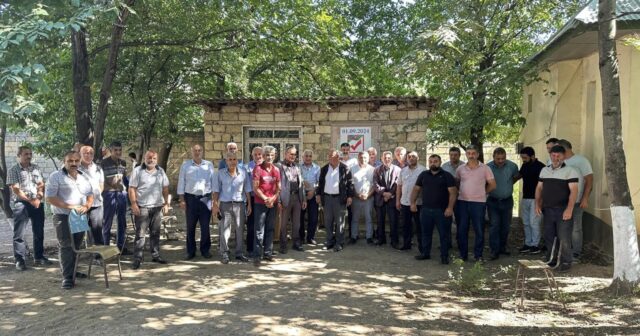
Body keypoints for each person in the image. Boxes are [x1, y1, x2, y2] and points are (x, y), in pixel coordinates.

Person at [45, 151, 94, 289]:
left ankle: (72, 271)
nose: (73, 163)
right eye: (70, 161)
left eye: (76, 161)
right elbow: (49, 198)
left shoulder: (84, 177)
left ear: (79, 161)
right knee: (66, 245)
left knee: (77, 246)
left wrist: (87, 206)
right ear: (64, 161)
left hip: (80, 216)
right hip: (62, 216)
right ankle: (67, 277)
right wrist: (71, 206)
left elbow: (90, 195)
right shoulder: (55, 176)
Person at [535, 145, 579, 273]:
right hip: (547, 209)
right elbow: (539, 188)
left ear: (564, 156)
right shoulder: (544, 170)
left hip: (563, 209)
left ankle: (566, 261)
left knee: (563, 236)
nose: (556, 158)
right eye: (553, 155)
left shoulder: (570, 171)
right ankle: (552, 259)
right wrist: (537, 204)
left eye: (558, 155)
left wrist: (569, 209)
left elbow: (574, 191)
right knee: (549, 235)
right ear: (550, 156)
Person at [7, 146, 50, 270]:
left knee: (39, 231)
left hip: (37, 203)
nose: (29, 156)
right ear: (19, 155)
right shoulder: (13, 170)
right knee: (19, 234)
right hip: (21, 204)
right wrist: (30, 200)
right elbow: (15, 189)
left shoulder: (36, 168)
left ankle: (39, 257)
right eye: (26, 154)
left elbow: (41, 185)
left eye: (30, 154)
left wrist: (39, 198)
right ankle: (20, 260)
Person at [411, 154, 457, 264]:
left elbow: (453, 193)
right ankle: (425, 253)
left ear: (440, 162)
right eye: (431, 161)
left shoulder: (447, 176)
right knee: (425, 233)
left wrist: (450, 208)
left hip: (442, 211)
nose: (433, 163)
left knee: (444, 235)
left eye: (435, 161)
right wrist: (412, 203)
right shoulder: (423, 175)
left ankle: (444, 256)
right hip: (426, 210)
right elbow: (416, 189)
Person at [129, 150, 170, 269]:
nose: (151, 160)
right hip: (142, 207)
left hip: (157, 207)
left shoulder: (160, 171)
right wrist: (134, 204)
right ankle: (137, 258)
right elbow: (132, 189)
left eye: (154, 158)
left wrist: (166, 203)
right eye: (149, 158)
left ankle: (155, 255)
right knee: (140, 234)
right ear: (145, 159)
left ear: (156, 159)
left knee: (155, 233)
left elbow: (165, 188)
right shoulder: (137, 171)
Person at [455, 145, 496, 262]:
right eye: (469, 153)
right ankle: (463, 255)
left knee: (479, 230)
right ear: (466, 154)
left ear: (477, 154)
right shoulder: (460, 169)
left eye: (473, 153)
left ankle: (478, 255)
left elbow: (493, 185)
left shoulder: (485, 168)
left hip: (478, 203)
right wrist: (462, 192)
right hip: (462, 202)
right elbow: (457, 183)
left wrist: (482, 193)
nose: (471, 155)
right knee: (462, 229)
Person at [212, 151, 252, 264]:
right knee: (225, 230)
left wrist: (249, 204)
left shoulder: (243, 173)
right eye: (230, 160)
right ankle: (224, 253)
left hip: (240, 204)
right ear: (226, 161)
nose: (232, 162)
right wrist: (215, 205)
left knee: (240, 229)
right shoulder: (219, 174)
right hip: (225, 205)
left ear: (237, 161)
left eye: (234, 159)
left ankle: (239, 253)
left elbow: (247, 189)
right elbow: (216, 191)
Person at [177, 144, 215, 260]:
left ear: (202, 151)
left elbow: (213, 182)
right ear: (191, 152)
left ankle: (205, 250)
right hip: (190, 199)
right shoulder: (185, 165)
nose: (197, 152)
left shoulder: (209, 165)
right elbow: (181, 182)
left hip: (206, 198)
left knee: (205, 226)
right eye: (195, 151)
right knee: (190, 226)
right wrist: (182, 200)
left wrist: (214, 200)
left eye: (199, 150)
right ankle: (191, 251)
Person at [557, 139, 593, 260]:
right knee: (562, 226)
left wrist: (585, 198)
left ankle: (576, 252)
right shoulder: (558, 161)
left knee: (576, 227)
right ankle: (563, 250)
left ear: (565, 149)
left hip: (577, 200)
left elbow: (589, 180)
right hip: (560, 201)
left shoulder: (581, 161)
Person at [316, 149, 354, 252]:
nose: (331, 159)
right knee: (328, 222)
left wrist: (350, 196)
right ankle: (329, 241)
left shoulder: (344, 168)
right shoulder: (324, 169)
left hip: (339, 199)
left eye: (334, 157)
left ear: (339, 157)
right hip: (327, 199)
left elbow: (350, 183)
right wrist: (318, 194)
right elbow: (320, 183)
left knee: (340, 222)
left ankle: (339, 242)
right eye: (330, 157)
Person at [486, 147, 519, 260]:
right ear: (493, 157)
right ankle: (494, 250)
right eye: (498, 158)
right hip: (493, 201)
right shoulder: (488, 167)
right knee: (494, 225)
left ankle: (502, 248)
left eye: (503, 158)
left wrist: (507, 187)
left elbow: (516, 177)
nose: (500, 161)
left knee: (505, 226)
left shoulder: (512, 166)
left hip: (507, 200)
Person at [252, 145, 281, 265]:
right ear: (263, 156)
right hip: (260, 204)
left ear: (274, 156)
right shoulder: (258, 169)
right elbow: (255, 187)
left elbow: (279, 188)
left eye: (272, 155)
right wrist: (265, 199)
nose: (269, 157)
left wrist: (273, 199)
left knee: (270, 229)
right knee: (259, 230)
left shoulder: (276, 170)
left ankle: (268, 253)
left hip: (272, 204)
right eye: (267, 155)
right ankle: (257, 256)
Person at [515, 146, 545, 254]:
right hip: (526, 198)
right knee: (526, 222)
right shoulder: (524, 165)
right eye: (522, 157)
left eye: (525, 157)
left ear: (532, 156)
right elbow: (519, 176)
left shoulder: (541, 167)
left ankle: (535, 245)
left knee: (534, 222)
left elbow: (544, 185)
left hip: (536, 199)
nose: (523, 159)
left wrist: (540, 201)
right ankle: (527, 244)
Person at [276, 146, 306, 253]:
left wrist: (304, 199)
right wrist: (278, 200)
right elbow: (277, 185)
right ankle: (283, 245)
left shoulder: (298, 166)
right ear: (285, 154)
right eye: (291, 154)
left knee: (297, 223)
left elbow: (301, 184)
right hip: (285, 198)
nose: (293, 156)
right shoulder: (279, 166)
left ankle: (296, 243)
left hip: (297, 197)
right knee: (283, 224)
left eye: (294, 154)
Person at [100, 141, 129, 252]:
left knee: (122, 222)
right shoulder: (103, 163)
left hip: (121, 195)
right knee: (107, 222)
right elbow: (101, 181)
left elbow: (124, 179)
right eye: (115, 150)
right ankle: (105, 249)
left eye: (120, 150)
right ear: (110, 150)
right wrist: (112, 188)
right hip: (109, 195)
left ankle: (121, 247)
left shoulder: (123, 163)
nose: (118, 152)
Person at [396, 151, 426, 250]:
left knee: (419, 226)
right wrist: (397, 201)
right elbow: (399, 186)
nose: (411, 158)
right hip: (404, 202)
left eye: (413, 156)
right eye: (409, 157)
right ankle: (406, 244)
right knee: (405, 225)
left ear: (418, 158)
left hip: (418, 203)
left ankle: (422, 247)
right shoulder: (403, 171)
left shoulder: (423, 171)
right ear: (407, 159)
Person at [374, 151, 401, 247]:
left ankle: (394, 241)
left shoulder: (398, 170)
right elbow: (376, 184)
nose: (387, 159)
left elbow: (397, 184)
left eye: (389, 158)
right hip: (380, 199)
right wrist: (384, 193)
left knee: (394, 221)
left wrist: (390, 194)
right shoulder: (377, 170)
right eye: (385, 158)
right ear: (381, 159)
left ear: (392, 159)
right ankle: (381, 239)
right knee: (380, 221)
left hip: (393, 199)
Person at [79, 146, 105, 246]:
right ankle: (79, 255)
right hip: (81, 205)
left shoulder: (98, 168)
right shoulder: (75, 168)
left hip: (96, 204)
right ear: (80, 154)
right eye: (85, 153)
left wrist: (93, 197)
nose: (88, 155)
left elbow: (101, 185)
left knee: (97, 231)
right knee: (79, 232)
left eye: (91, 153)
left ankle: (98, 257)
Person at [350, 151, 375, 244]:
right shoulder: (352, 169)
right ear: (358, 158)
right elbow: (351, 184)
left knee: (369, 218)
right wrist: (357, 195)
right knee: (355, 218)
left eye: (365, 157)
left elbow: (374, 185)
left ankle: (369, 237)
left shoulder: (372, 169)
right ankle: (354, 236)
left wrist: (368, 195)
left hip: (368, 197)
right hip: (356, 198)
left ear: (368, 159)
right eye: (361, 157)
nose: (363, 159)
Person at [299, 149, 320, 245]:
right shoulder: (298, 167)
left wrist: (313, 191)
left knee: (313, 217)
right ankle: (301, 237)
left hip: (313, 193)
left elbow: (319, 182)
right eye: (306, 156)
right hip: (300, 194)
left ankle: (310, 237)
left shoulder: (317, 168)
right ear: (303, 157)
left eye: (310, 156)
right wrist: (303, 182)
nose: (308, 158)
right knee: (300, 217)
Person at [245, 146, 263, 255]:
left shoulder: (267, 166)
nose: (257, 156)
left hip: (264, 198)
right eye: (255, 154)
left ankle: (262, 248)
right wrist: (248, 203)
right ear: (252, 155)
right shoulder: (247, 167)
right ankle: (250, 249)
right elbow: (246, 186)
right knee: (251, 225)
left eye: (259, 154)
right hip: (251, 198)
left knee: (262, 224)